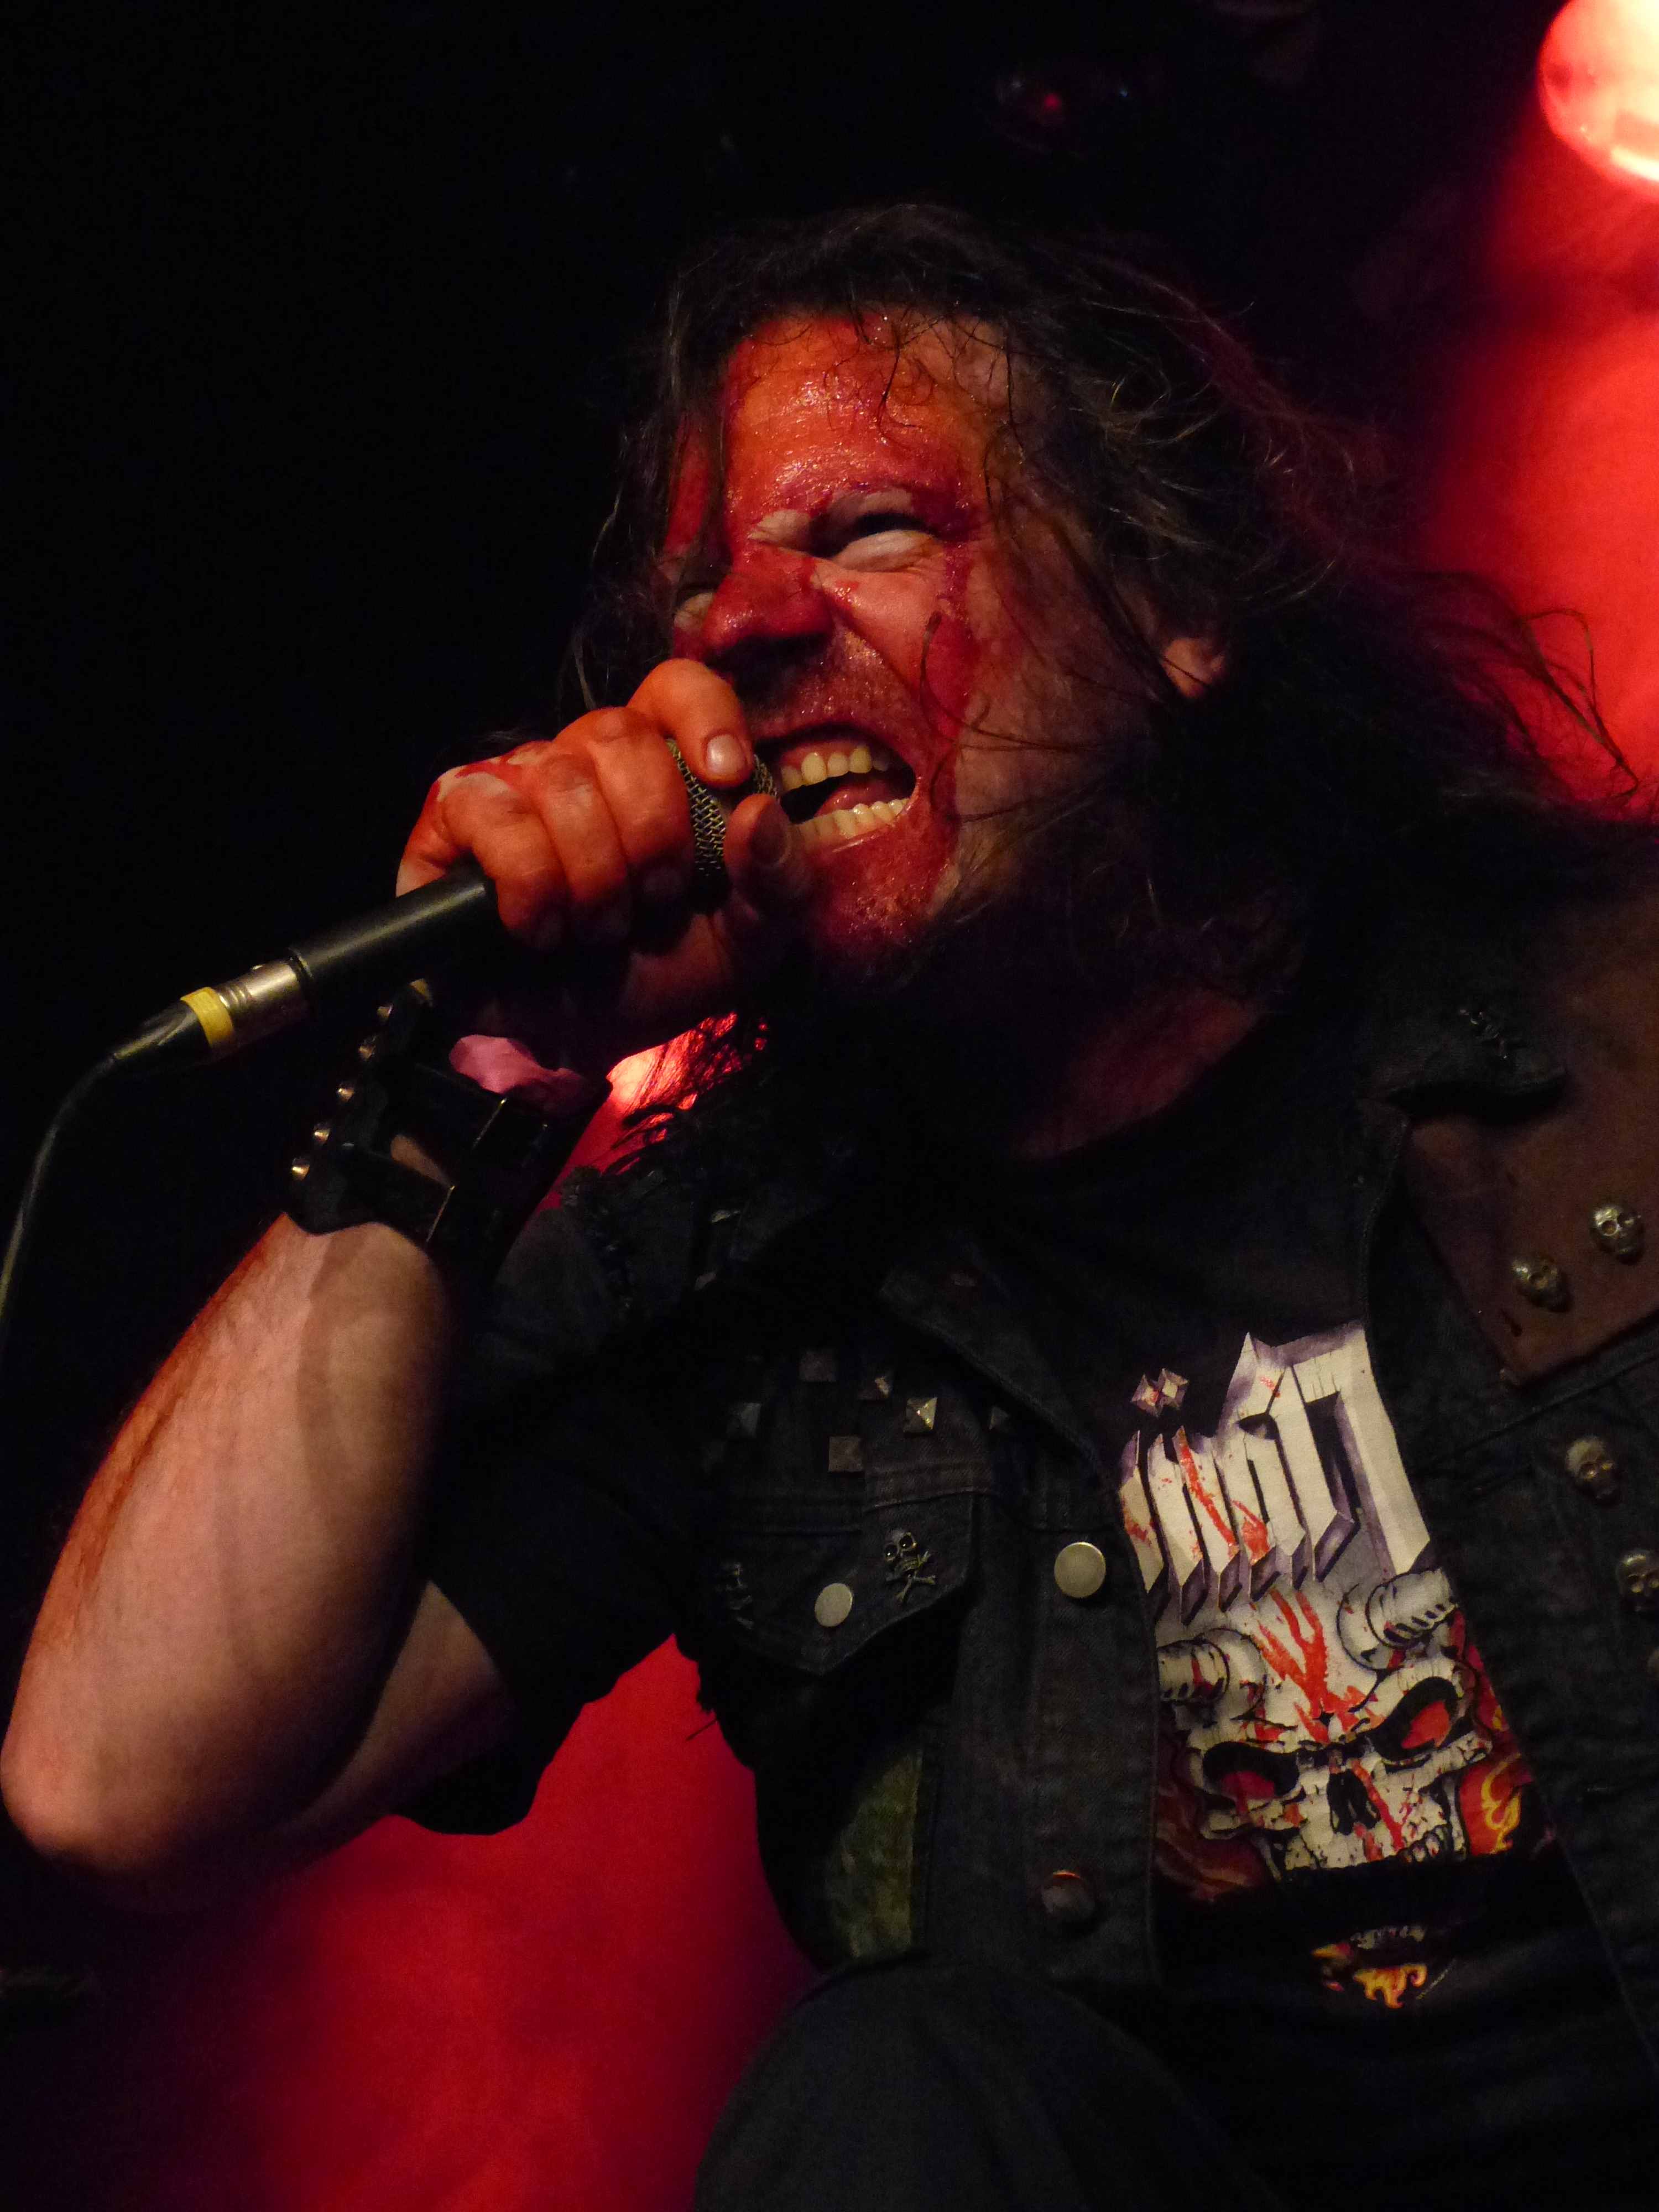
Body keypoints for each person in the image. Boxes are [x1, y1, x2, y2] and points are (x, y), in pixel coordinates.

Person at [6, 202, 1659, 2208]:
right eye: (698, 590)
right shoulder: (739, 1269)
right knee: (902, 2079)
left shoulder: (1615, 1022)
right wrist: (475, 1080)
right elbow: (119, 1782)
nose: (742, 629)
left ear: (1175, 607)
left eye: (868, 532)